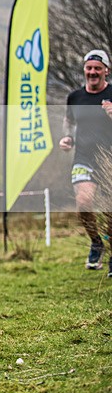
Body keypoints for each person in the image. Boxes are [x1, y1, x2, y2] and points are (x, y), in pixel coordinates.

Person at [59, 49, 112, 275]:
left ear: (106, 71)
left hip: (109, 161)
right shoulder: (75, 97)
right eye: (89, 68)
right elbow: (69, 121)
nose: (92, 72)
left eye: (97, 68)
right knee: (83, 202)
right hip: (84, 158)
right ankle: (96, 242)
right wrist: (67, 138)